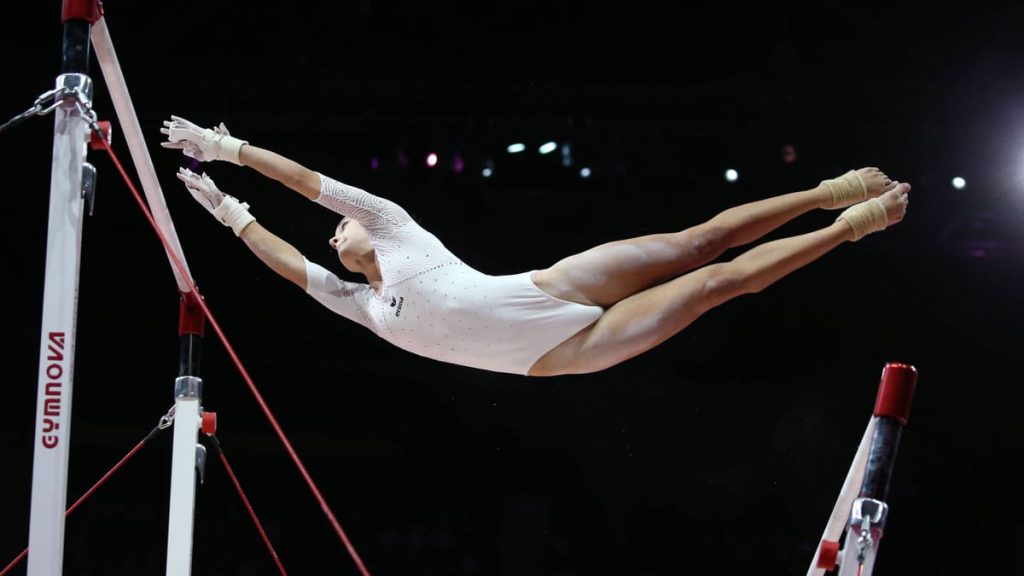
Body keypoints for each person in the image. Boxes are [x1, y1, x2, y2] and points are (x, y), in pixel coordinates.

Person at [161, 115, 910, 377]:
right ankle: (850, 229)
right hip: (558, 358)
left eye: (339, 226)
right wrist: (230, 216)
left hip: (546, 291)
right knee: (719, 286)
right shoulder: (362, 306)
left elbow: (310, 185)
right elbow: (290, 262)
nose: (333, 232)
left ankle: (826, 192)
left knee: (696, 243)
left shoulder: (389, 222)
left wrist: (231, 151)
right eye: (334, 236)